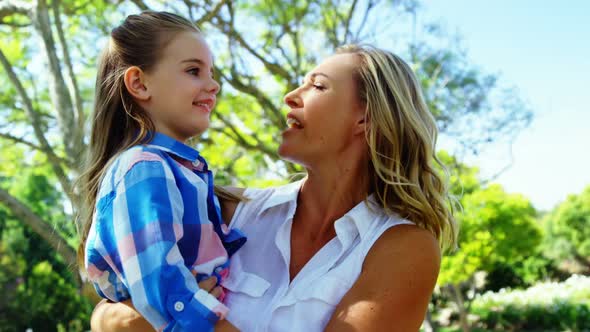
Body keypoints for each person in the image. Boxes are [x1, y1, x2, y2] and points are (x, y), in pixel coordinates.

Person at [90, 44, 458, 332]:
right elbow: (111, 308)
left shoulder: (403, 248)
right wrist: (115, 320)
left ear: (365, 117)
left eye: (317, 85)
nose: (290, 96)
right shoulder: (230, 211)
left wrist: (165, 322)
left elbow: (141, 317)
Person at [76, 11, 247, 332]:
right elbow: (163, 292)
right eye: (194, 70)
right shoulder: (144, 168)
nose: (214, 85)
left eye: (211, 72)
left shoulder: (174, 171)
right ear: (139, 83)